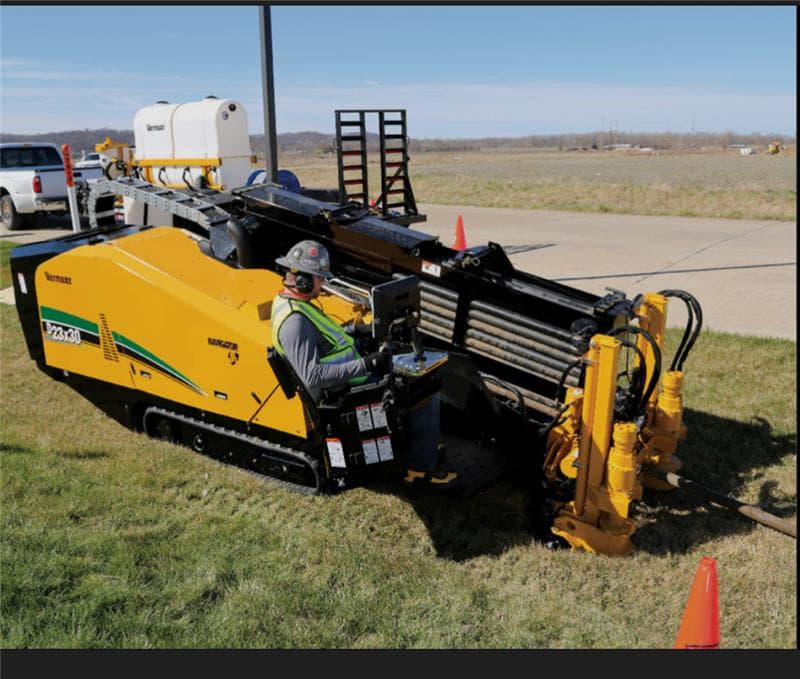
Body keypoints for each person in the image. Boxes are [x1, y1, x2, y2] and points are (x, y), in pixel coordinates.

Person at [270, 239, 458, 489]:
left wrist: (358, 330)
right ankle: (420, 468)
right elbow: (313, 376)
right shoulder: (295, 322)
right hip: (342, 394)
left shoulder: (299, 306)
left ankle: (423, 441)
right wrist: (368, 364)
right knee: (422, 392)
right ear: (303, 280)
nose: (323, 283)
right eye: (319, 278)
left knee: (404, 368)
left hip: (348, 379)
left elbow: (328, 339)